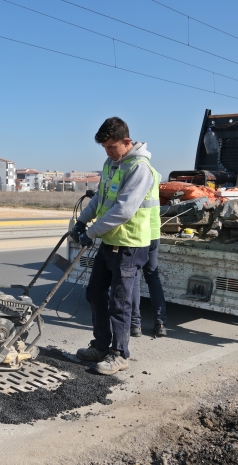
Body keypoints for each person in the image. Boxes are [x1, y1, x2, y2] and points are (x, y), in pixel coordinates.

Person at [70, 117, 158, 375]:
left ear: (126, 142)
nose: (108, 152)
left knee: (119, 303)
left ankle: (119, 354)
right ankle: (100, 346)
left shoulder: (139, 168)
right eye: (105, 148)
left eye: (111, 147)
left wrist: (91, 233)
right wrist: (81, 221)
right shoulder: (112, 163)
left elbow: (124, 210)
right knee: (94, 293)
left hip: (129, 245)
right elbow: (101, 197)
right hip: (110, 241)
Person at [130, 165, 167, 338]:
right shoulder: (154, 173)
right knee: (152, 276)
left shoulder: (135, 172)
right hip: (154, 232)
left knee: (135, 278)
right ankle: (160, 323)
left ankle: (135, 325)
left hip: (139, 234)